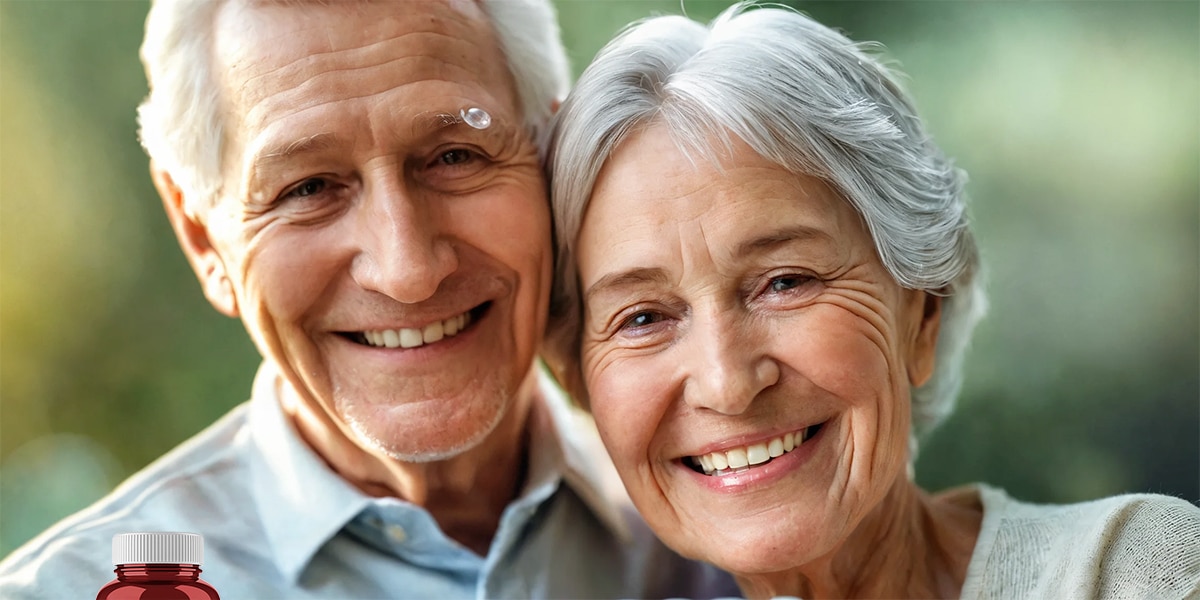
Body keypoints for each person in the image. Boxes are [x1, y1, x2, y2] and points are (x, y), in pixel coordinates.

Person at [0, 1, 738, 598]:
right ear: (202, 238)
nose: (407, 269)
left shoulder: (722, 526)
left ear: (549, 158)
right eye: (309, 189)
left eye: (454, 156)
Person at [544, 4, 1200, 598]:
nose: (728, 383)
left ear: (922, 312)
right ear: (579, 383)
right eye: (644, 318)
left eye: (785, 281)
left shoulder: (1126, 574)